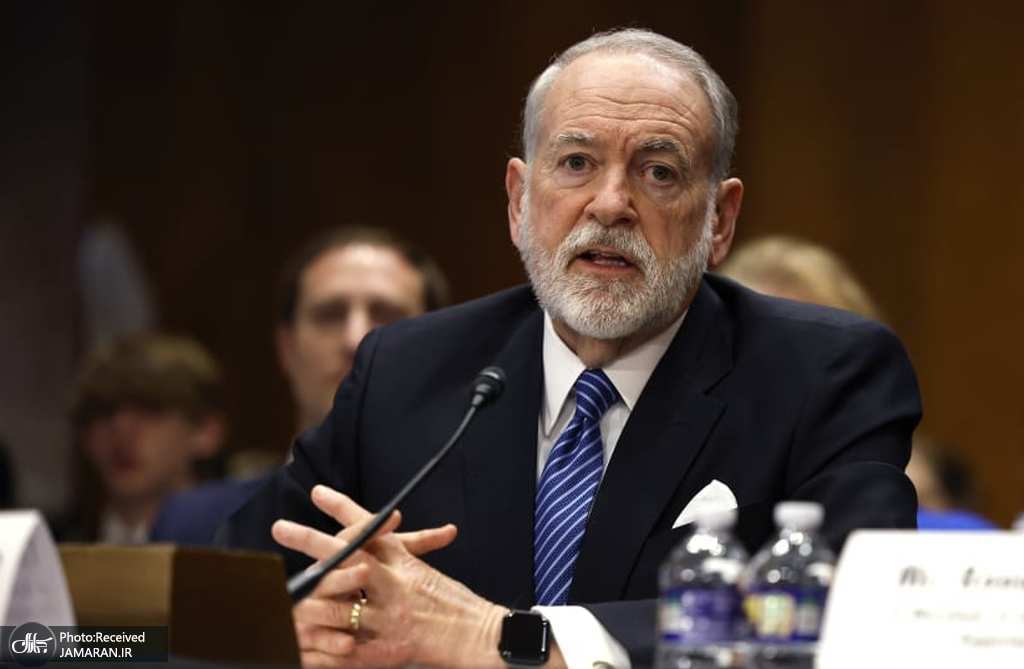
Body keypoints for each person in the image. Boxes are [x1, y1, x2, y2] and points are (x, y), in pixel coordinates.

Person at [223, 29, 921, 668]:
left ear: (720, 220)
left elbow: (856, 613)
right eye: (577, 162)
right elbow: (232, 587)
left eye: (659, 172)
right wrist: (302, 622)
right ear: (518, 201)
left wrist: (501, 637)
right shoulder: (405, 371)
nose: (610, 203)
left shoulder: (823, 375)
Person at [151, 225, 450, 545]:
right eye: (329, 315)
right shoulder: (194, 523)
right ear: (287, 348)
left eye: (387, 315)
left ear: (435, 350)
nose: (355, 340)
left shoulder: (478, 519)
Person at [61, 334, 226, 543]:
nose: (120, 431)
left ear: (206, 432)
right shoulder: (50, 547)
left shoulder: (244, 545)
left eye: (149, 409)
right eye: (104, 411)